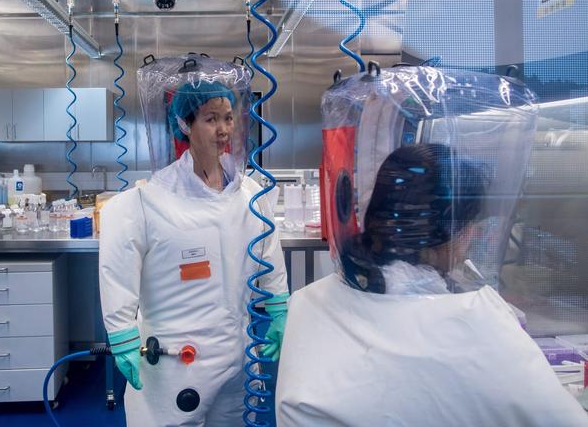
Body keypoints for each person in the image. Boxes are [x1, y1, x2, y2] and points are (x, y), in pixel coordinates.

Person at [276, 143, 588, 426]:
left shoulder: (308, 303)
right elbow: (561, 417)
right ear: (446, 231)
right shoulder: (479, 322)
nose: (475, 236)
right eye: (470, 225)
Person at [99, 77, 289, 426]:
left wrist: (278, 306)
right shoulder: (150, 200)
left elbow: (268, 251)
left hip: (237, 356)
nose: (223, 129)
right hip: (177, 362)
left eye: (228, 118)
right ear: (185, 125)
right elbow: (118, 265)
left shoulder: (249, 193)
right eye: (210, 118)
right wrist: (122, 333)